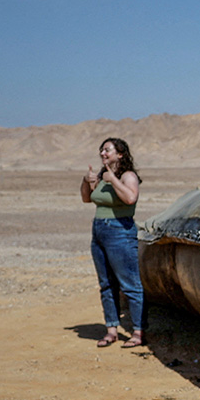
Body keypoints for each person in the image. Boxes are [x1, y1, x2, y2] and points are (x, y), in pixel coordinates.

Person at [80, 137, 146, 348]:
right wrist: (86, 181)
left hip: (120, 231)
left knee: (129, 284)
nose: (103, 153)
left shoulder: (128, 176)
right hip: (99, 230)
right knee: (106, 283)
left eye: (107, 150)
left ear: (120, 154)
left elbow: (130, 199)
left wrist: (113, 180)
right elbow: (87, 199)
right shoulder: (102, 176)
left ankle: (138, 331)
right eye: (101, 150)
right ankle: (111, 330)